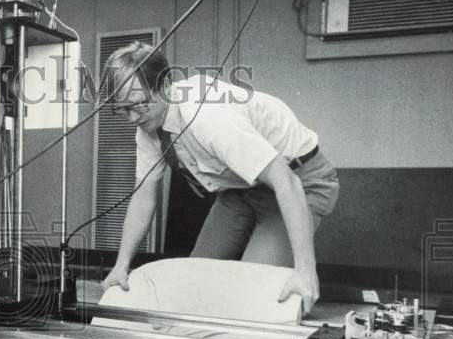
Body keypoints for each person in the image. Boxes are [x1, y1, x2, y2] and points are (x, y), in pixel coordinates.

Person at [100, 41, 339, 315]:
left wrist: (306, 271)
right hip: (241, 189)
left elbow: (287, 182)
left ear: (165, 86)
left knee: (251, 295)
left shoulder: (206, 115)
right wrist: (121, 267)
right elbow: (143, 198)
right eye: (122, 110)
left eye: (138, 106)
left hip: (299, 180)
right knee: (196, 282)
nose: (132, 118)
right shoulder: (148, 128)